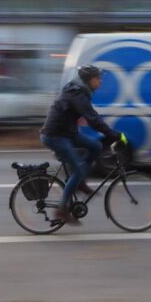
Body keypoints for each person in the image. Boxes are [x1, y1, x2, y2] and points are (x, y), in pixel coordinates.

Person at [40, 65, 121, 224]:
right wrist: (112, 134)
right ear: (90, 80)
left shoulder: (80, 91)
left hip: (67, 133)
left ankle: (80, 182)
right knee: (78, 170)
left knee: (96, 146)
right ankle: (62, 210)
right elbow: (93, 118)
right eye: (98, 78)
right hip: (55, 136)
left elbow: (91, 117)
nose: (101, 81)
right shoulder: (78, 94)